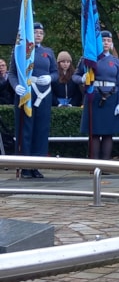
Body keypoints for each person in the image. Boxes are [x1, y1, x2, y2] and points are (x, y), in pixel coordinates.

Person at [10, 22, 59, 178]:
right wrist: (16, 86)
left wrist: (50, 78)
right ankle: (25, 166)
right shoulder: (20, 51)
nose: (38, 34)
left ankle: (36, 165)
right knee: (25, 131)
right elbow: (12, 73)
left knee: (41, 131)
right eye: (35, 32)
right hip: (26, 94)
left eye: (41, 32)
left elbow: (56, 73)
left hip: (44, 95)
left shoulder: (48, 52)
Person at [73, 30, 119, 160]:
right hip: (94, 97)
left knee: (108, 134)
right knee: (94, 133)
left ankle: (105, 164)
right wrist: (82, 79)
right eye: (103, 40)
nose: (106, 43)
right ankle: (94, 163)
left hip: (111, 98)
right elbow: (75, 76)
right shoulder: (89, 59)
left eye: (108, 41)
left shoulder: (116, 62)